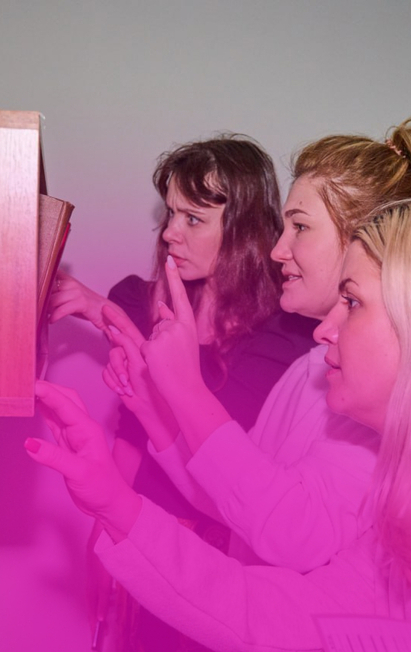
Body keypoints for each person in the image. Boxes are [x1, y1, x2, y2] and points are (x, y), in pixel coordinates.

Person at [26, 196, 411, 649]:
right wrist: (114, 498)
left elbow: (285, 528)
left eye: (353, 301)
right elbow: (287, 614)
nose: (326, 329)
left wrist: (184, 390)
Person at [103, 117, 411, 572]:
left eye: (300, 227)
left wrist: (186, 387)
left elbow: (294, 531)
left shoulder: (379, 389)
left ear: (362, 236)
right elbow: (234, 498)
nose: (277, 250)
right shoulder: (309, 366)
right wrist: (150, 406)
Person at [49, 134, 318, 650]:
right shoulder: (142, 304)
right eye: (170, 213)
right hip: (142, 535)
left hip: (221, 564)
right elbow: (131, 433)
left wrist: (110, 319)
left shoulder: (284, 338)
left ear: (243, 229)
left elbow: (230, 459)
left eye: (193, 219)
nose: (171, 232)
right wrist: (106, 527)